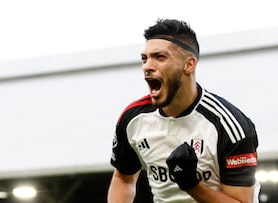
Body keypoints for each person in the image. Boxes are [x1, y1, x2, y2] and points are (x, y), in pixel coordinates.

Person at [107, 18, 260, 203]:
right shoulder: (133, 118)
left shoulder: (230, 125)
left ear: (189, 64)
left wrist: (191, 184)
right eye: (144, 58)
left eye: (160, 57)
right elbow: (122, 178)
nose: (147, 66)